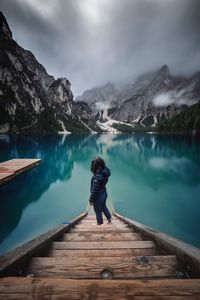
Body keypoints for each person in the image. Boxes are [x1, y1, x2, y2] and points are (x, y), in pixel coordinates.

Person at [89, 157, 112, 225]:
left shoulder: (97, 177)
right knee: (104, 207)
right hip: (104, 193)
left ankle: (99, 224)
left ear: (96, 167)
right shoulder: (105, 172)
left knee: (98, 210)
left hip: (98, 197)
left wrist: (91, 200)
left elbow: (94, 190)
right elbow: (104, 166)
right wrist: (101, 163)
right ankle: (109, 219)